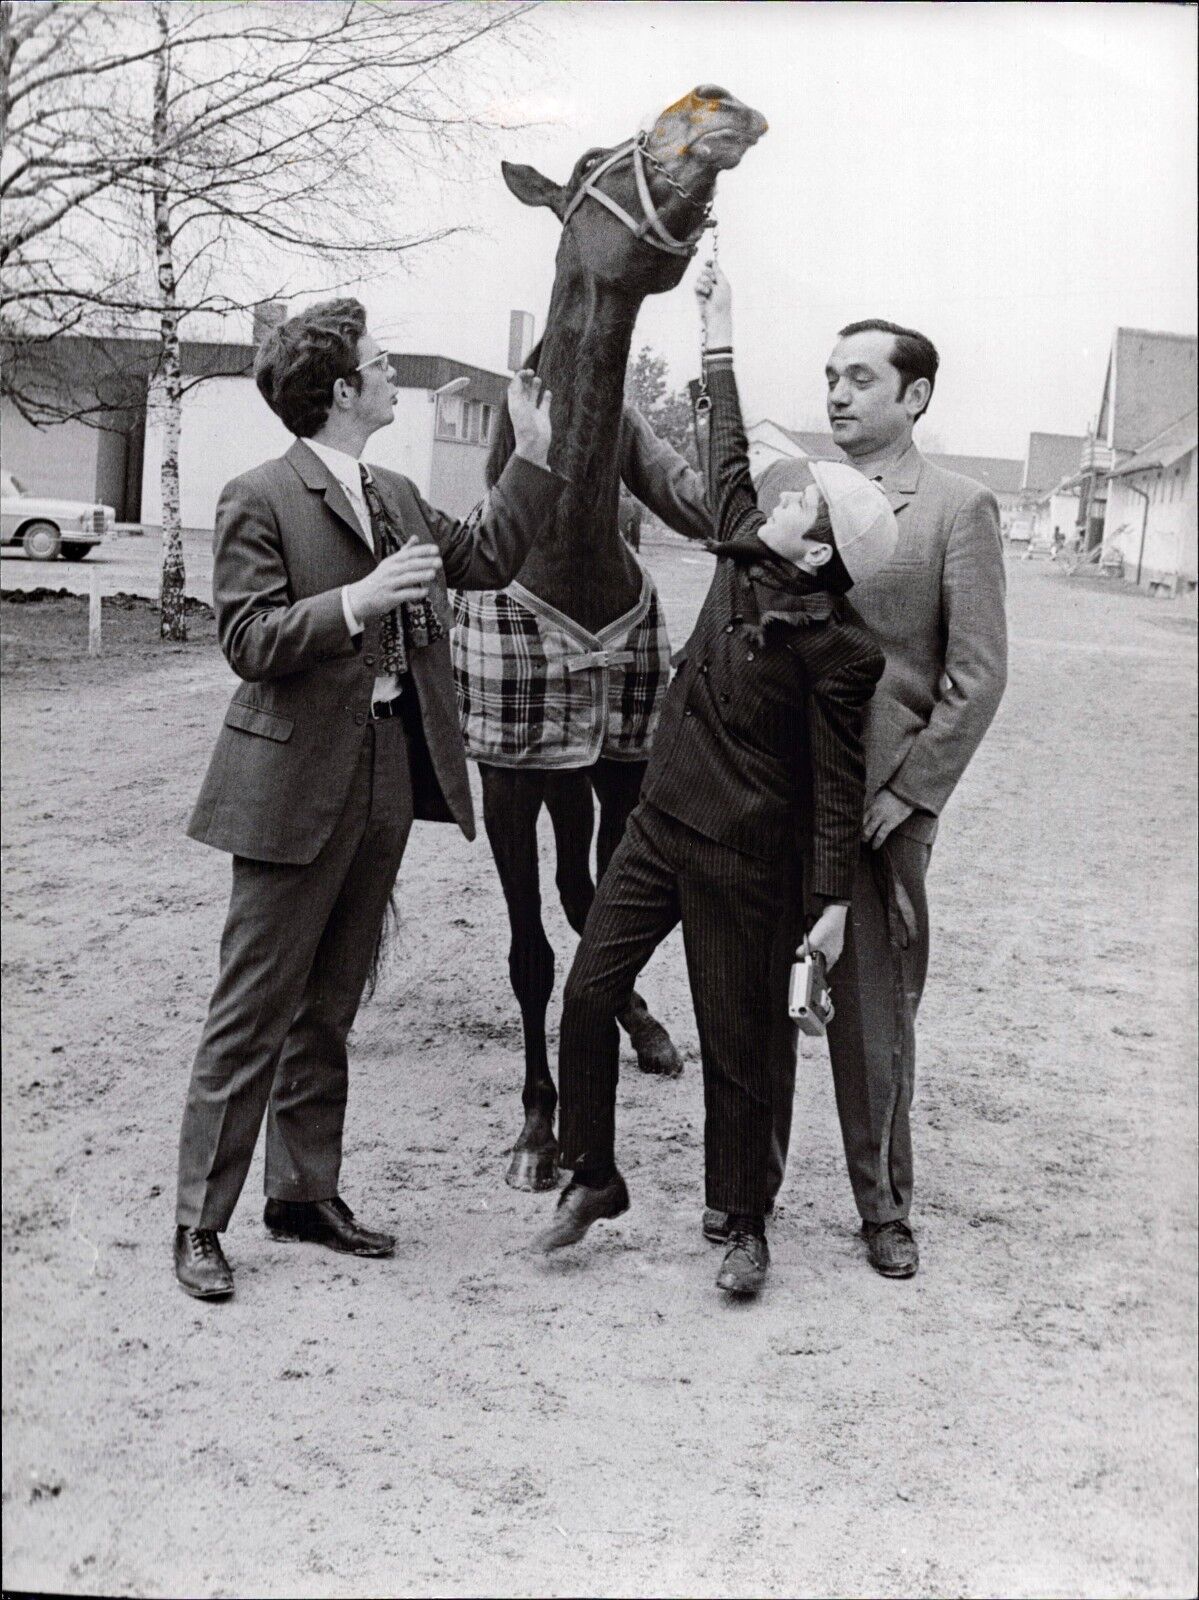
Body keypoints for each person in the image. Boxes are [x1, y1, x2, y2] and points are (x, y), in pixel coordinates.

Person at [173, 298, 560, 1300]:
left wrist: (534, 448)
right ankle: (198, 1222)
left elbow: (484, 560)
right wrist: (359, 600)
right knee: (251, 1006)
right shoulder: (257, 495)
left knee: (332, 998)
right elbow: (248, 642)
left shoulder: (391, 486)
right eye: (382, 365)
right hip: (288, 780)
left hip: (388, 768)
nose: (395, 377)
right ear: (343, 390)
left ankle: (302, 1193)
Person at [532, 263, 897, 1298]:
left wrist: (825, 905)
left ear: (817, 548)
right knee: (588, 991)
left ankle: (743, 1224)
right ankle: (593, 1172)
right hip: (658, 827)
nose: (773, 498)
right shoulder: (746, 550)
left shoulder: (841, 656)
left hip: (746, 861)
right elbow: (725, 444)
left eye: (797, 504)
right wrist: (716, 328)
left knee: (738, 1054)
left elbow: (834, 791)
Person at [739, 317, 1008, 1279]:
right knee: (759, 1002)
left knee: (871, 1016)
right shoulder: (802, 495)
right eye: (829, 376)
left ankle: (883, 1207)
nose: (838, 394)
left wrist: (911, 792)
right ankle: (745, 1205)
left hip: (876, 808)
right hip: (773, 791)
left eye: (860, 377)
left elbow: (975, 677)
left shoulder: (957, 508)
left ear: (915, 396)